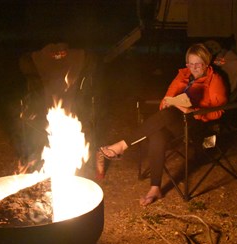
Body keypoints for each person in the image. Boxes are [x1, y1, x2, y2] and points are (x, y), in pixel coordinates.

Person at [97, 43, 228, 206]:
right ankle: (155, 187)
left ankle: (122, 145)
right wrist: (168, 103)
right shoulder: (183, 75)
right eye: (190, 63)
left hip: (198, 124)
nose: (193, 68)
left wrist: (191, 110)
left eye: (198, 64)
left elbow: (219, 111)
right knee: (157, 133)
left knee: (165, 117)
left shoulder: (215, 79)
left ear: (206, 62)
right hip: (176, 120)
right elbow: (167, 98)